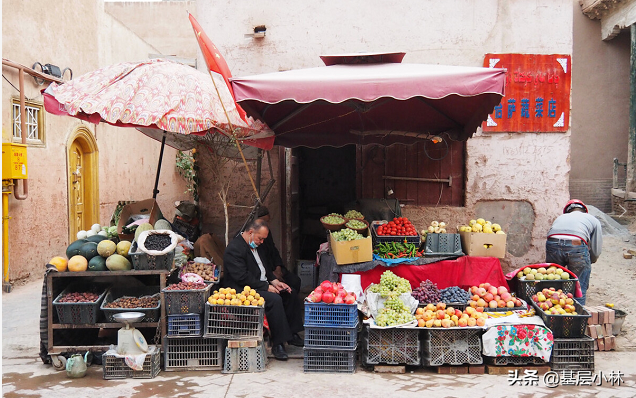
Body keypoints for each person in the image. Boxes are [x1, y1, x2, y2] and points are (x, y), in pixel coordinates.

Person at [223, 218, 304, 360]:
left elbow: (264, 269)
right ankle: (278, 343)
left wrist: (275, 282)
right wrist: (267, 287)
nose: (262, 242)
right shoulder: (234, 249)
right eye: (260, 238)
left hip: (260, 284)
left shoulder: (258, 247)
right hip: (243, 290)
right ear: (250, 233)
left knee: (290, 293)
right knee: (274, 299)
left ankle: (292, 334)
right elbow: (242, 277)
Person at [545, 199, 602, 305]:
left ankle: (553, 313)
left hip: (552, 243)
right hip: (577, 244)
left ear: (567, 211)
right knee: (579, 286)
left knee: (553, 281)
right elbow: (596, 249)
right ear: (584, 210)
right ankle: (577, 317)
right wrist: (590, 261)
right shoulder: (592, 219)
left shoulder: (560, 218)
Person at [255, 206, 302, 292]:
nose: (268, 225)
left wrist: (278, 268)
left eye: (268, 221)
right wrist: (272, 275)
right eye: (264, 222)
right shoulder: (253, 239)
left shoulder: (267, 233)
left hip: (274, 268)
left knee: (295, 281)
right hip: (265, 274)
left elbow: (274, 251)